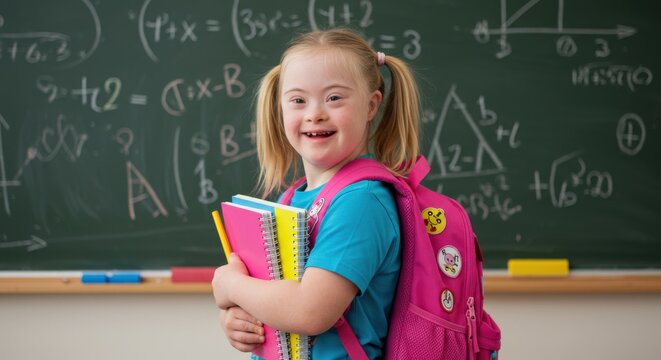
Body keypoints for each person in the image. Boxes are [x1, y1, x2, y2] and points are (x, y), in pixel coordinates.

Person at [212, 27, 421, 359]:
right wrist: (238, 320)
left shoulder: (361, 202)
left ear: (371, 105)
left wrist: (229, 285)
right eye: (298, 100)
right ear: (280, 108)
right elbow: (272, 300)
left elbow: (310, 312)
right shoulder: (292, 199)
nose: (314, 113)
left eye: (334, 97)